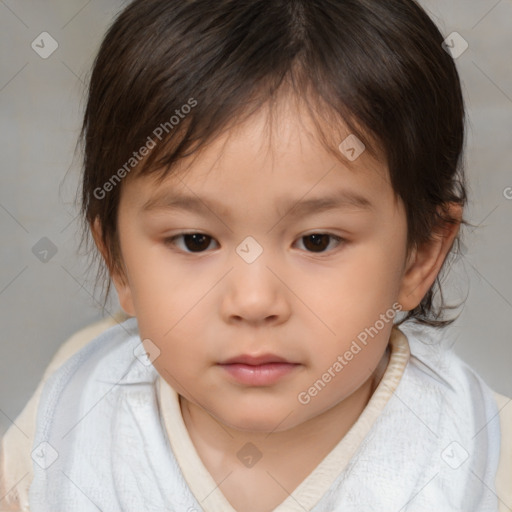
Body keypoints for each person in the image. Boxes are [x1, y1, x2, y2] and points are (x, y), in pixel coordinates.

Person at [1, 0, 511, 510]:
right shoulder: (74, 412)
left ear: (420, 255)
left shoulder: (483, 456)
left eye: (317, 241)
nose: (253, 300)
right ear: (118, 260)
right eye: (195, 241)